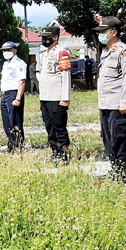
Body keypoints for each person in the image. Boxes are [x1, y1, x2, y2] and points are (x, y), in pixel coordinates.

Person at [94, 16, 126, 183]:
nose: (100, 35)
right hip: (105, 104)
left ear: (113, 32)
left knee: (121, 138)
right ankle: (115, 168)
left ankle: (122, 171)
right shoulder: (106, 52)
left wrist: (125, 102)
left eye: (103, 31)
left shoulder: (125, 51)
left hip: (118, 105)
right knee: (108, 138)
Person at [38, 26, 73, 164]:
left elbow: (65, 76)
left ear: (55, 37)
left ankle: (63, 154)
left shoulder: (62, 52)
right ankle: (55, 151)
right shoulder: (44, 53)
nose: (44, 40)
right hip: (45, 96)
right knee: (49, 126)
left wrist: (65, 98)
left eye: (46, 37)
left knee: (59, 126)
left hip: (57, 97)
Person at [0, 42, 27, 153]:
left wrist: (18, 98)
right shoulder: (6, 63)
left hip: (14, 94)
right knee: (6, 122)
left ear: (14, 50)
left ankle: (18, 144)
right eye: (4, 50)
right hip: (5, 94)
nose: (5, 52)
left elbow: (22, 81)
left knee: (15, 121)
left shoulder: (19, 63)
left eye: (8, 50)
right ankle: (11, 143)